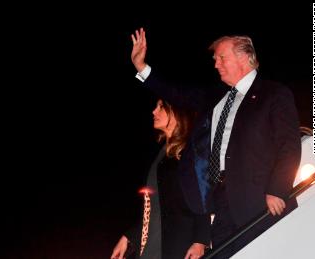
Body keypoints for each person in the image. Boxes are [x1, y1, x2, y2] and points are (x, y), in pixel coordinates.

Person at [130, 28, 301, 258]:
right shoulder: (217, 96)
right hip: (220, 201)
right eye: (215, 59)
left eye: (222, 58)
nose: (216, 64)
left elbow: (289, 145)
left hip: (259, 201)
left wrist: (278, 189)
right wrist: (142, 68)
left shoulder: (273, 94)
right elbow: (177, 93)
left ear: (243, 57)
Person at [111, 99, 210, 259]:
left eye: (161, 107)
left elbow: (204, 197)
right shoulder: (161, 155)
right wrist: (129, 237)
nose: (154, 111)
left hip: (180, 244)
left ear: (177, 113)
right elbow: (155, 206)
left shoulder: (191, 152)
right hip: (154, 244)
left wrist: (200, 240)